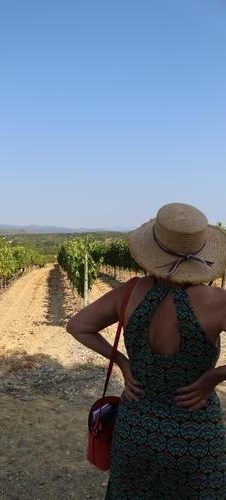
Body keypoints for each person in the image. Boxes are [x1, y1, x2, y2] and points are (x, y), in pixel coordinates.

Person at [67, 203, 226, 498]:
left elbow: (77, 326)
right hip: (195, 436)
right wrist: (211, 379)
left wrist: (122, 363)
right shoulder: (218, 301)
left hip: (136, 430)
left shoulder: (129, 293)